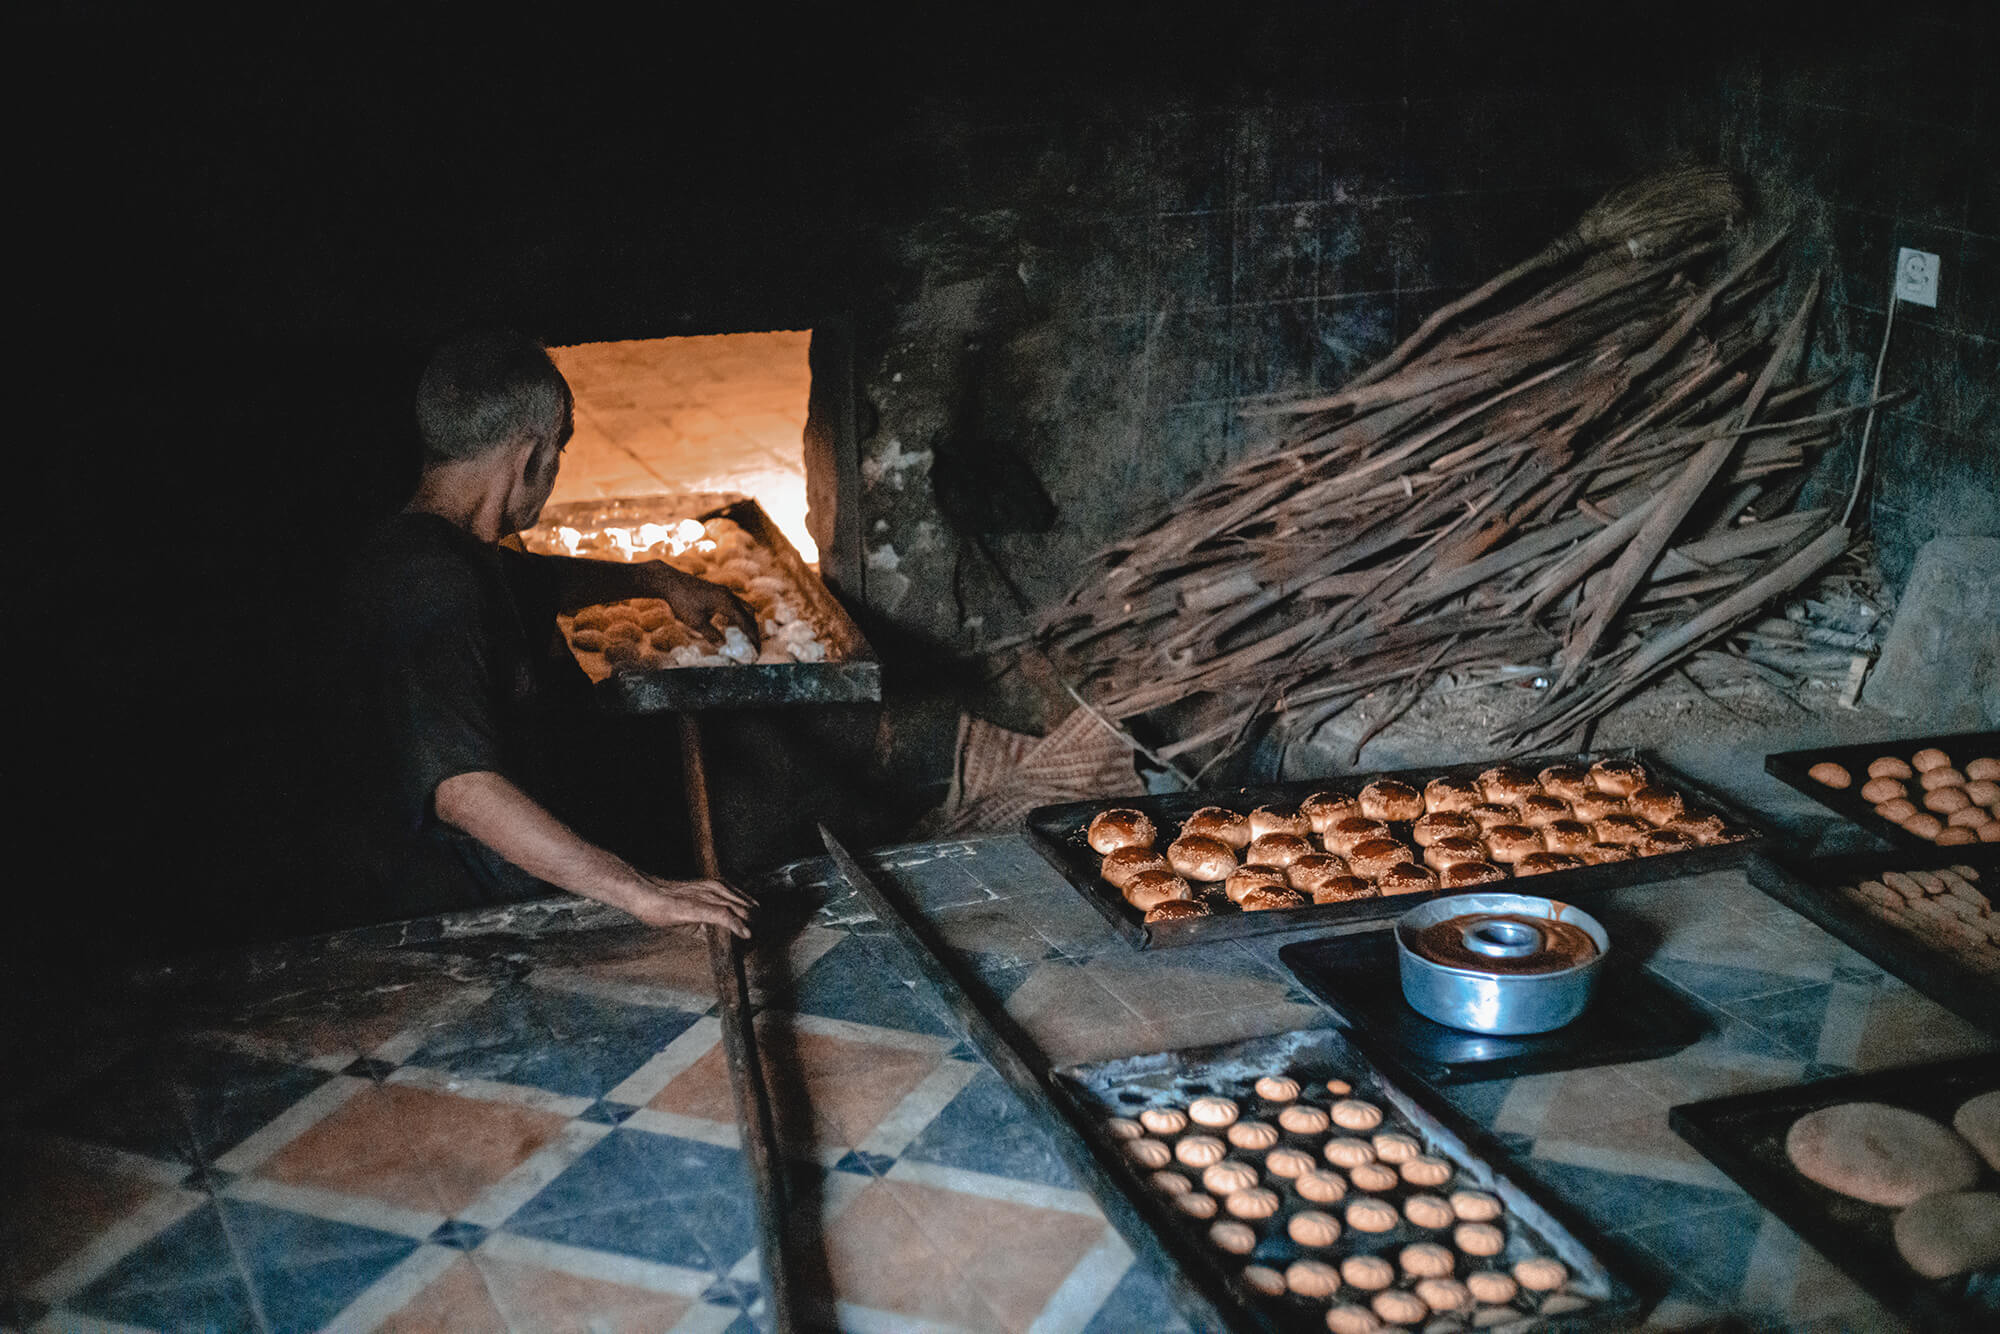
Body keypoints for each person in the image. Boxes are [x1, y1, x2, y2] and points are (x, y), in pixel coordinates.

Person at [335, 329, 757, 936]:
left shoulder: (439, 549)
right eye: (560, 452)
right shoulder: (429, 585)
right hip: (448, 914)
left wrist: (656, 579)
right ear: (532, 456)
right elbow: (464, 790)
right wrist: (637, 890)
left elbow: (537, 581)